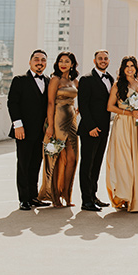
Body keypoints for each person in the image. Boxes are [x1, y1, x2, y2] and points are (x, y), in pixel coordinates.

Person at [105, 56, 138, 212]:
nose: (130, 68)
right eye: (127, 66)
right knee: (124, 160)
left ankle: (136, 196)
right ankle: (123, 195)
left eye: (132, 65)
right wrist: (128, 112)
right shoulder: (118, 85)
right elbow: (110, 107)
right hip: (123, 125)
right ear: (122, 68)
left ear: (136, 67)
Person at [7, 49, 51, 211]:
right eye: (37, 59)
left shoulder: (48, 81)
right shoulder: (20, 80)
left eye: (43, 60)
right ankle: (24, 199)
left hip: (41, 132)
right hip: (23, 131)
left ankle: (33, 196)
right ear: (30, 62)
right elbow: (12, 103)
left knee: (36, 165)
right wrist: (17, 125)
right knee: (24, 165)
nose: (40, 62)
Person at [37, 51, 79, 207]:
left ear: (72, 64)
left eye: (67, 61)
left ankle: (67, 195)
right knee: (55, 158)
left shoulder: (75, 81)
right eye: (61, 61)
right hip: (57, 120)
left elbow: (77, 99)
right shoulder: (55, 79)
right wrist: (51, 126)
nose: (63, 64)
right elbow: (50, 102)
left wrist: (77, 110)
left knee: (72, 159)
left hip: (72, 122)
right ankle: (54, 197)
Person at [77, 50, 113, 212]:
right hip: (90, 129)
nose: (103, 61)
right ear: (94, 61)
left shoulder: (110, 79)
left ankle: (93, 195)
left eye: (105, 58)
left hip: (104, 129)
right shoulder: (86, 79)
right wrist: (90, 127)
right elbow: (83, 105)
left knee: (97, 163)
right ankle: (86, 200)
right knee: (87, 164)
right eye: (100, 58)